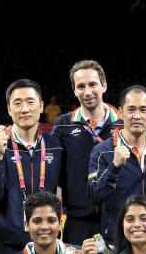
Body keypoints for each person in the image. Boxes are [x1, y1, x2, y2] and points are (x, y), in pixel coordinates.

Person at [0, 79, 64, 254]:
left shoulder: (55, 146)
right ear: (9, 109)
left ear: (41, 106)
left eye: (30, 102)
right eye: (17, 103)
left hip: (48, 242)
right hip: (6, 246)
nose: (25, 109)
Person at [51, 60, 123, 244]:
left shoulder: (123, 123)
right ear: (75, 91)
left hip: (118, 220)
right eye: (81, 86)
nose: (87, 92)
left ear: (104, 85)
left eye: (93, 84)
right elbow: (55, 169)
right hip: (78, 222)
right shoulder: (63, 124)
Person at [88, 85, 146, 243]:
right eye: (131, 109)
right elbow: (94, 196)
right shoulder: (102, 151)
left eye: (143, 110)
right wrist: (114, 168)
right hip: (117, 240)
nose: (137, 116)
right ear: (120, 112)